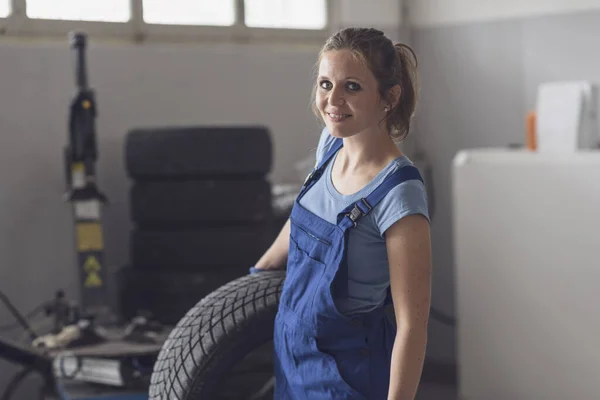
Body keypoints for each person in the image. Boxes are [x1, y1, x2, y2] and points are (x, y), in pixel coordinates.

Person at [251, 27, 432, 400]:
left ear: (390, 97)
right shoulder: (330, 146)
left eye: (352, 87)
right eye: (325, 84)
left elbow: (412, 326)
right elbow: (307, 216)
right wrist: (261, 270)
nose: (332, 100)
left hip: (349, 375)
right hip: (294, 356)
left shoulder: (399, 193)